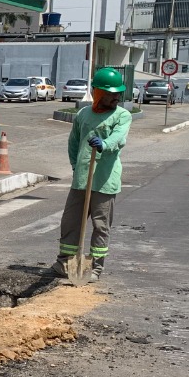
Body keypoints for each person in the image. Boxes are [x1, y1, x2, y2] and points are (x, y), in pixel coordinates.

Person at [50, 66, 132, 284]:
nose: (116, 96)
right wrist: (75, 166)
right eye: (111, 93)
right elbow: (74, 143)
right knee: (71, 222)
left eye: (118, 93)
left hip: (105, 179)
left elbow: (118, 138)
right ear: (98, 93)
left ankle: (95, 267)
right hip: (82, 177)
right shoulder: (83, 114)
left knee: (100, 225)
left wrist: (104, 144)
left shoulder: (122, 115)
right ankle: (65, 261)